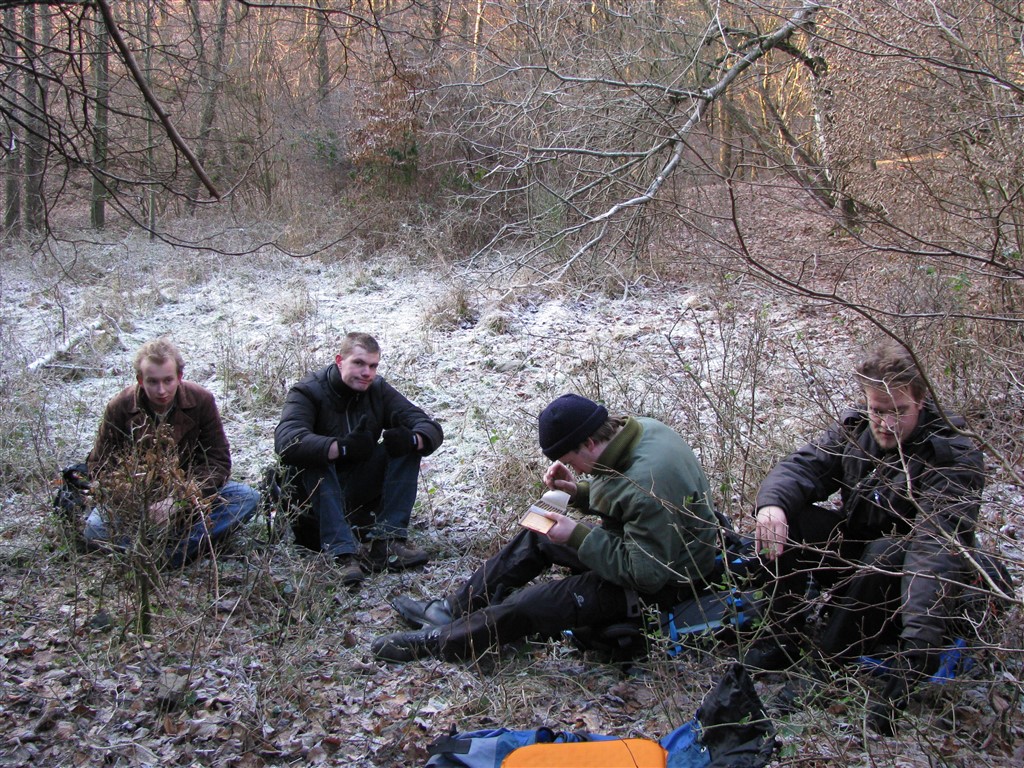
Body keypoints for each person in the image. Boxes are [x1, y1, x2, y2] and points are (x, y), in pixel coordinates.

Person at [371, 393, 723, 663]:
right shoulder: (640, 431)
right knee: (538, 534)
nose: (577, 469)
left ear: (588, 443)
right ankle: (453, 610)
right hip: (647, 550)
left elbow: (646, 575)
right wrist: (577, 492)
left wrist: (577, 535)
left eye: (571, 461)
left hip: (667, 584)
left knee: (532, 603)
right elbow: (623, 493)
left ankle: (442, 641)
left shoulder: (648, 484)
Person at [749, 342, 985, 731]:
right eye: (878, 410)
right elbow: (802, 467)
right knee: (791, 517)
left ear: (920, 401)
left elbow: (936, 549)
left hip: (909, 588)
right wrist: (771, 505)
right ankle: (781, 637)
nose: (885, 423)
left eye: (899, 412)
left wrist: (919, 643)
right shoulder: (857, 429)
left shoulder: (950, 455)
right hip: (858, 561)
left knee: (888, 550)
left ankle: (824, 667)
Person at [274, 332, 444, 585]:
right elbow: (287, 441)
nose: (367, 373)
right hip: (312, 505)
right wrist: (342, 448)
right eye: (359, 363)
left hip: (356, 496)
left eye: (373, 366)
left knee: (407, 445)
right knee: (312, 456)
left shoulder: (377, 390)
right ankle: (341, 555)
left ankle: (387, 542)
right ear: (339, 361)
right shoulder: (308, 391)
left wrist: (411, 440)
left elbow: (429, 426)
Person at [85, 338, 260, 567]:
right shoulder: (120, 407)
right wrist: (137, 503)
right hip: (136, 499)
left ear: (179, 377)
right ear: (140, 380)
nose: (161, 390)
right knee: (95, 528)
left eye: (168, 380)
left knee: (247, 497)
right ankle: (150, 549)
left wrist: (178, 500)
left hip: (188, 492)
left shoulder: (201, 400)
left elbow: (217, 461)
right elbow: (100, 465)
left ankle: (170, 554)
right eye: (153, 381)